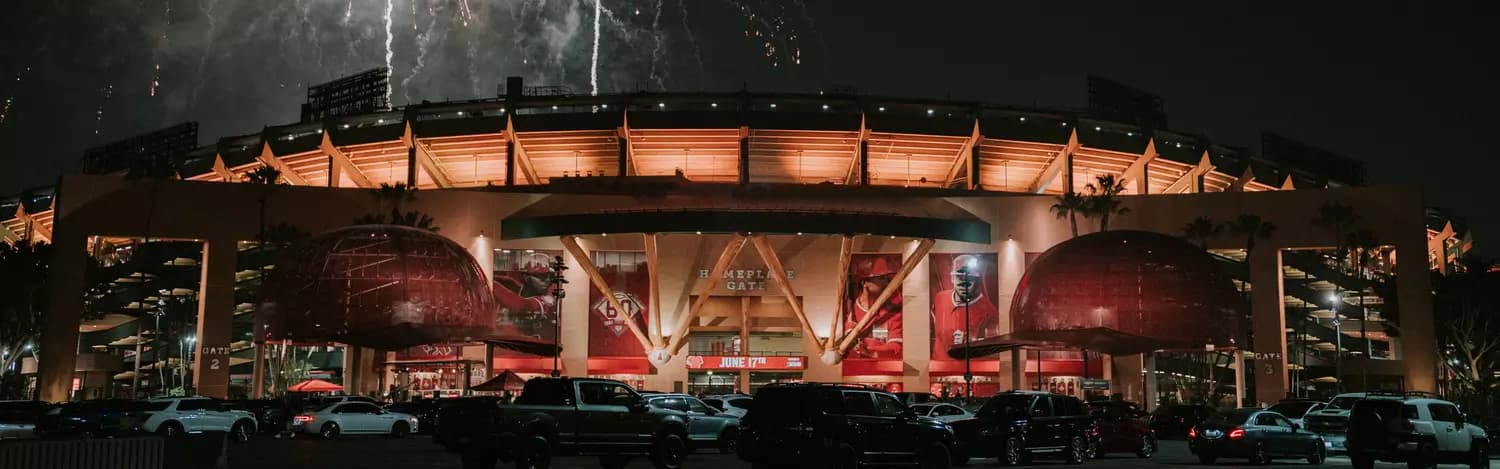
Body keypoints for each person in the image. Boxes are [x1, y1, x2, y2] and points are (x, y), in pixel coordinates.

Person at [931, 254, 1000, 359]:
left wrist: (972, 342)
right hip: (940, 368)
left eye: (970, 278)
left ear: (976, 281)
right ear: (952, 278)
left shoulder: (988, 312)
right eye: (959, 277)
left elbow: (997, 351)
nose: (964, 283)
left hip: (972, 369)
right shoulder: (940, 298)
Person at [844, 256, 903, 359]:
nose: (886, 282)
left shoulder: (892, 312)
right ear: (864, 282)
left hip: (884, 370)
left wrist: (869, 352)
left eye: (886, 278)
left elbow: (896, 348)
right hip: (853, 370)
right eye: (881, 278)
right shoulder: (850, 312)